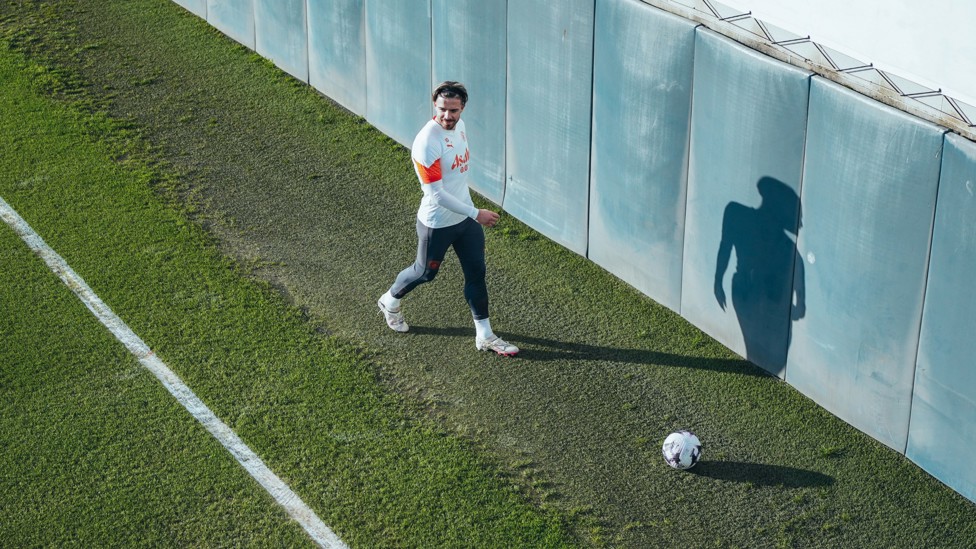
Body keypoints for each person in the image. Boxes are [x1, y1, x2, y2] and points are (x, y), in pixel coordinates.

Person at [377, 81, 519, 356]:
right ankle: (389, 301)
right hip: (437, 223)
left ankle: (485, 335)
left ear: (462, 108)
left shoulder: (460, 128)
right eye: (442, 109)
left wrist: (469, 212)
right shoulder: (426, 142)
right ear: (435, 106)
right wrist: (476, 213)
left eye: (453, 110)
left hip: (464, 220)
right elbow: (437, 195)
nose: (447, 115)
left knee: (477, 274)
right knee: (425, 273)